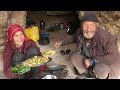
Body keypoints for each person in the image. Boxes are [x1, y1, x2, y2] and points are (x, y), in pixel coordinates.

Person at [54, 11, 120, 79]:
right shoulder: (80, 31)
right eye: (85, 25)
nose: (88, 29)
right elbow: (73, 38)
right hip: (89, 62)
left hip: (104, 65)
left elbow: (114, 56)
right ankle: (87, 74)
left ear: (97, 26)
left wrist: (93, 60)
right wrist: (61, 42)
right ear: (81, 26)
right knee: (73, 56)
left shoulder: (106, 38)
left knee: (99, 68)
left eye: (91, 25)